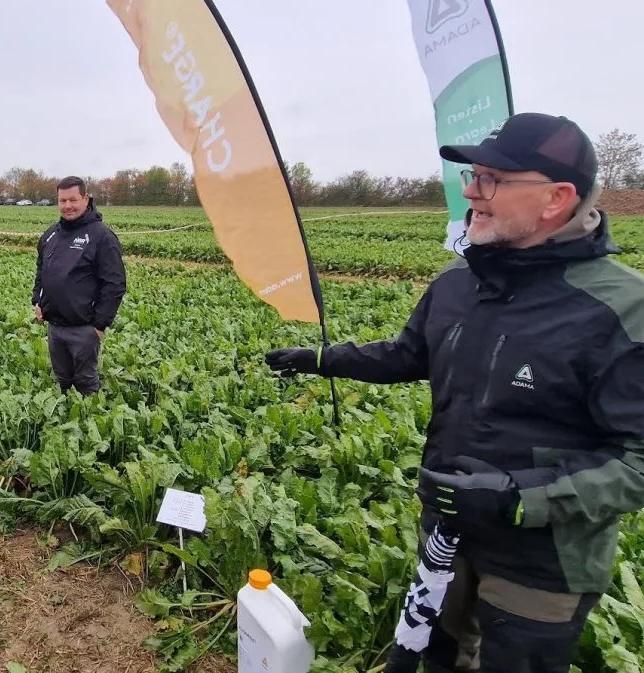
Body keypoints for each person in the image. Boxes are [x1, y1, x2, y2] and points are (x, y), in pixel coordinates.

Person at [264, 113, 644, 673]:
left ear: (555, 198)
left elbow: (637, 461)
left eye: (491, 179)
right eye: (472, 175)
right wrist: (320, 359)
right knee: (434, 659)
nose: (470, 191)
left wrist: (520, 498)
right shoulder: (456, 284)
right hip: (444, 530)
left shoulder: (621, 309)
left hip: (541, 564)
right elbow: (405, 355)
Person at [31, 176, 127, 395]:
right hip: (55, 326)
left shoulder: (101, 236)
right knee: (63, 380)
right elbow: (41, 271)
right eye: (62, 201)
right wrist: (37, 300)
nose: (67, 206)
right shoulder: (51, 235)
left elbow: (115, 283)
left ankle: (89, 422)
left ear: (85, 199)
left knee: (85, 382)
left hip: (84, 329)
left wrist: (99, 325)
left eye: (73, 200)